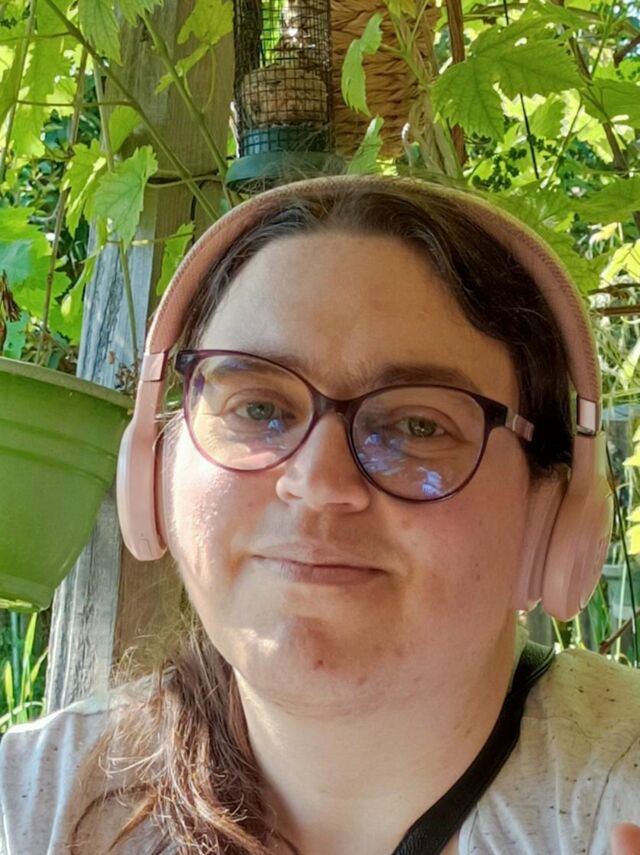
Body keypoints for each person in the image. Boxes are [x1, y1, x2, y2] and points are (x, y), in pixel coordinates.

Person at [1, 174, 639, 855]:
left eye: (419, 425)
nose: (319, 483)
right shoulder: (30, 807)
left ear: (551, 518)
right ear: (155, 472)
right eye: (257, 408)